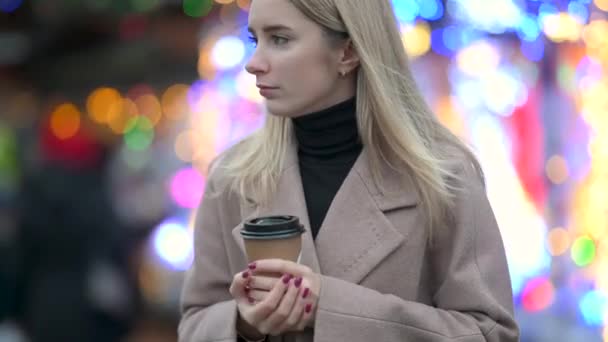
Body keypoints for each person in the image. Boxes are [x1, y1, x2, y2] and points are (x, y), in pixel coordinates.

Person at [179, 0, 520, 341]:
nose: (253, 64)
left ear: (348, 52)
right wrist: (244, 323)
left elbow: (489, 333)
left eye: (280, 39)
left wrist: (329, 306)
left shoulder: (443, 176)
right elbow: (195, 323)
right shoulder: (232, 177)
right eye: (255, 40)